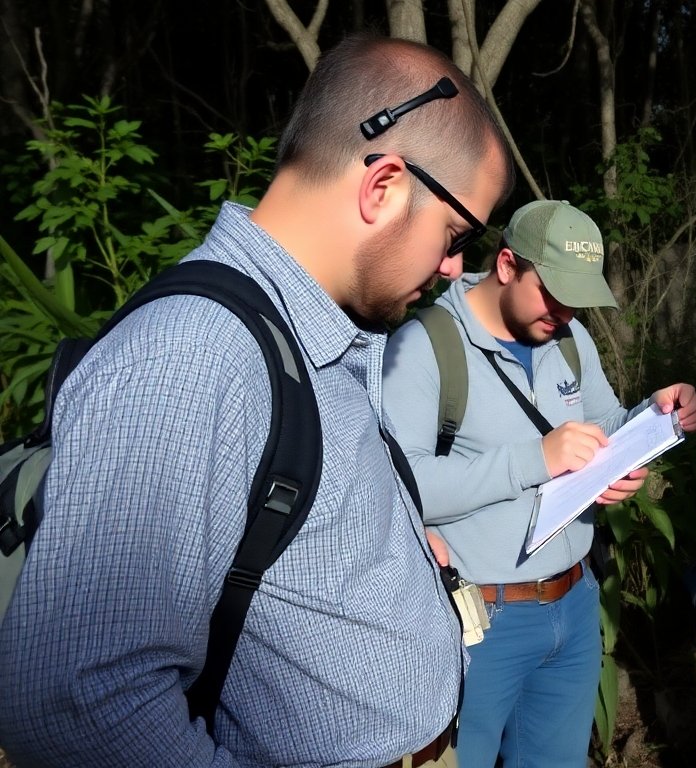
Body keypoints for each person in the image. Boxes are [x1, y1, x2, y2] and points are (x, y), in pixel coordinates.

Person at [0, 34, 512, 768]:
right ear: (384, 186)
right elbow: (78, 707)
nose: (452, 266)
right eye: (455, 233)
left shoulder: (314, 332)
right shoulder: (192, 353)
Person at [381, 199, 696, 768]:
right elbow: (400, 487)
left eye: (578, 299)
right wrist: (537, 458)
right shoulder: (425, 345)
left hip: (574, 606)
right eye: (554, 293)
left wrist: (651, 419)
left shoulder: (566, 337)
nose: (566, 312)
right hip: (477, 619)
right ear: (507, 264)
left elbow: (603, 424)